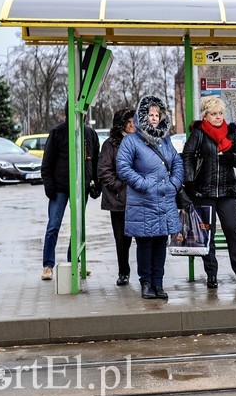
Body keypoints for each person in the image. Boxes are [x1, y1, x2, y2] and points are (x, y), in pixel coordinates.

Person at [182, 95, 236, 288]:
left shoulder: (230, 134)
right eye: (214, 114)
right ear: (205, 115)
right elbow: (187, 156)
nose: (218, 117)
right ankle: (211, 274)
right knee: (208, 234)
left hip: (227, 190)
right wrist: (189, 182)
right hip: (204, 191)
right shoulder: (198, 133)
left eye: (220, 113)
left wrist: (230, 157)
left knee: (233, 229)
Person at [117, 95, 182, 300]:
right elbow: (123, 167)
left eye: (157, 115)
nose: (154, 118)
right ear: (142, 116)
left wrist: (174, 184)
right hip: (143, 201)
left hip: (164, 199)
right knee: (145, 243)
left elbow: (177, 163)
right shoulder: (131, 141)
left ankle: (158, 283)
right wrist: (143, 184)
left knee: (161, 243)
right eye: (150, 114)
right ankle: (146, 283)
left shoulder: (166, 140)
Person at [40, 104, 100, 281]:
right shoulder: (57, 132)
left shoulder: (89, 133)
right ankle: (47, 265)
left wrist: (97, 184)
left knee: (78, 227)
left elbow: (95, 162)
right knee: (53, 225)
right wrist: (49, 186)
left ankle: (74, 262)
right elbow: (46, 163)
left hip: (82, 188)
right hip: (59, 188)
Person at [98, 108, 136, 286]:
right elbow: (104, 170)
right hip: (118, 198)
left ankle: (146, 273)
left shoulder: (141, 140)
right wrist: (119, 186)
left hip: (139, 198)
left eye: (134, 122)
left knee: (143, 237)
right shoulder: (110, 144)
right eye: (128, 122)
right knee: (122, 239)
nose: (132, 125)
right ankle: (123, 271)